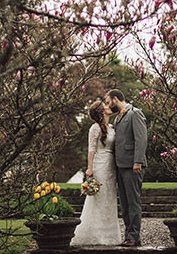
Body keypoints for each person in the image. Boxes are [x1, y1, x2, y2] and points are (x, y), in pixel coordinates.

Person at [71, 100, 122, 246]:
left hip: (111, 165)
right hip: (99, 165)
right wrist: (89, 168)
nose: (108, 106)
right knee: (98, 198)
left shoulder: (111, 127)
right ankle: (93, 234)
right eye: (105, 105)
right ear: (101, 111)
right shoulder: (94, 128)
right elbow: (91, 149)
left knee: (109, 198)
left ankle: (110, 235)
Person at [104, 89, 147, 247]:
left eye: (109, 101)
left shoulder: (134, 113)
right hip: (120, 166)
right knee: (125, 203)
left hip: (132, 166)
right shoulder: (118, 118)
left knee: (133, 202)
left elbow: (141, 139)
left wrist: (138, 161)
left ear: (115, 99)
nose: (108, 105)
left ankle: (133, 236)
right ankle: (130, 236)